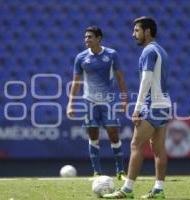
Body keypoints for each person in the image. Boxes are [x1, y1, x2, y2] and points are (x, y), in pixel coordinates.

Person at [103, 16, 172, 199]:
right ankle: (158, 190)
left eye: (136, 30)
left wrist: (138, 107)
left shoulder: (148, 51)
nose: (133, 34)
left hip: (152, 105)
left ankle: (127, 189)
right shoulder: (162, 51)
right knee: (158, 149)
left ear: (147, 31)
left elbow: (146, 80)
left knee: (136, 144)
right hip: (165, 104)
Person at [67, 26, 128, 180]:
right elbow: (76, 82)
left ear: (99, 38)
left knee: (113, 134)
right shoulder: (81, 58)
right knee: (93, 135)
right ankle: (96, 172)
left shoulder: (112, 55)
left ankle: (120, 171)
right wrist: (70, 103)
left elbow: (120, 78)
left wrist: (124, 98)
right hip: (89, 102)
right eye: (85, 37)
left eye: (90, 37)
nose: (86, 40)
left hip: (108, 102)